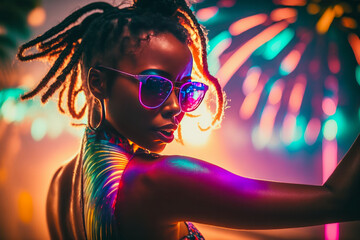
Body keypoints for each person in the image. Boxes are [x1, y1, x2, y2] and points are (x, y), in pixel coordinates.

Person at [17, 0, 360, 239]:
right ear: (98, 83)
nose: (176, 107)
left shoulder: (59, 185)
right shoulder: (161, 180)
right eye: (154, 86)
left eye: (186, 90)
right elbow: (341, 200)